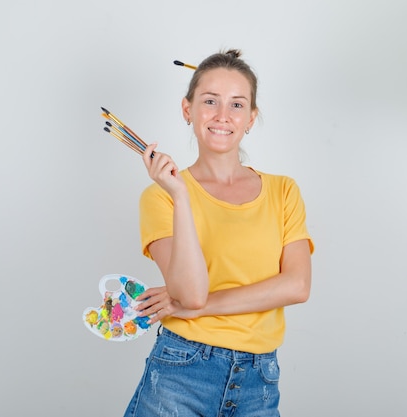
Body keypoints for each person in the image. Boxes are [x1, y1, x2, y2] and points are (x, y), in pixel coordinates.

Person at [124, 49, 314, 417]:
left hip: (259, 380)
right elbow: (191, 295)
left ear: (251, 118)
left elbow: (297, 286)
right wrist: (180, 194)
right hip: (181, 372)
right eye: (210, 101)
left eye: (237, 104)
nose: (223, 116)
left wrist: (193, 307)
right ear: (187, 109)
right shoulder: (161, 197)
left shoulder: (283, 191)